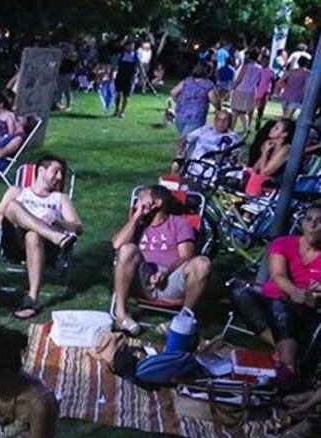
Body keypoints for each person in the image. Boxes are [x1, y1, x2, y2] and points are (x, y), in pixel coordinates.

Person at [229, 205, 321, 377]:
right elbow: (278, 274)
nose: (313, 225)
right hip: (274, 298)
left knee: (280, 306)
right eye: (308, 220)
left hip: (303, 310)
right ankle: (285, 348)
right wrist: (295, 291)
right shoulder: (283, 243)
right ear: (302, 222)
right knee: (239, 292)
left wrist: (313, 296)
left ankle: (288, 369)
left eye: (319, 221)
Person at [110, 185, 211, 336]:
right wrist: (136, 217)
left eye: (142, 197)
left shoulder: (179, 224)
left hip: (170, 282)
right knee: (126, 250)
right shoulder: (137, 224)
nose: (137, 201)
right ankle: (121, 316)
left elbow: (186, 257)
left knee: (203, 263)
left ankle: (182, 321)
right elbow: (117, 245)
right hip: (141, 280)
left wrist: (165, 273)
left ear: (156, 203)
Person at [0, 155, 82, 319]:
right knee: (12, 206)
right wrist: (28, 221)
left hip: (46, 249)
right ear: (41, 171)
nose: (60, 177)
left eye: (61, 174)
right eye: (56, 172)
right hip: (14, 243)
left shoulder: (60, 199)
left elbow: (77, 227)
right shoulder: (17, 192)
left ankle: (32, 298)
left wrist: (58, 222)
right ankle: (55, 236)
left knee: (33, 236)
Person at [169, 62, 216, 139]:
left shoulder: (187, 81)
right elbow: (214, 100)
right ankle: (183, 151)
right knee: (188, 140)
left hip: (180, 114)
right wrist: (218, 108)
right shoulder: (208, 85)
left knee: (184, 137)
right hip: (196, 116)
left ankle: (183, 150)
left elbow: (173, 92)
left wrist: (178, 101)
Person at [177, 110, 241, 164]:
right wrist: (179, 157)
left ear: (230, 122)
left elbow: (235, 157)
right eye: (219, 120)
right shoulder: (205, 130)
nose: (222, 123)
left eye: (225, 120)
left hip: (216, 167)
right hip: (196, 164)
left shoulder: (233, 137)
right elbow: (184, 139)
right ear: (215, 121)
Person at [230, 55, 261, 134]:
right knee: (243, 112)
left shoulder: (246, 67)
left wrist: (233, 87)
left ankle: (231, 128)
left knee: (235, 111)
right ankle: (246, 128)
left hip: (240, 90)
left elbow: (239, 78)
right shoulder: (259, 68)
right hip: (251, 92)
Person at [113, 40, 139, 118]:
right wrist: (112, 73)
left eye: (133, 46)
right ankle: (117, 109)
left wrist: (142, 74)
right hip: (120, 76)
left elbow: (139, 65)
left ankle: (122, 111)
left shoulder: (135, 56)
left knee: (126, 96)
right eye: (130, 45)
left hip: (130, 78)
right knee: (118, 94)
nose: (132, 47)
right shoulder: (121, 55)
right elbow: (115, 65)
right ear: (126, 46)